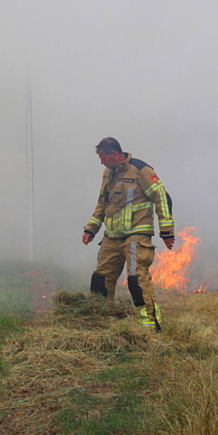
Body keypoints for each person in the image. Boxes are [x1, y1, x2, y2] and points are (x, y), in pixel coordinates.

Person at [82, 137, 174, 330]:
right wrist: (91, 229)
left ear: (114, 154)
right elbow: (102, 203)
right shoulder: (108, 172)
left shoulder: (141, 170)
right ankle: (101, 323)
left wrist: (166, 232)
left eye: (103, 158)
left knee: (136, 279)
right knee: (100, 279)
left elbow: (162, 198)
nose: (101, 163)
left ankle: (150, 325)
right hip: (112, 237)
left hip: (137, 235)